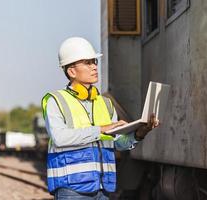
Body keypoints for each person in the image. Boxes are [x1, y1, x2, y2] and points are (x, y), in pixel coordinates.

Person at [41, 37, 159, 200]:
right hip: (72, 190)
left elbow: (119, 143)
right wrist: (101, 129)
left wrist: (140, 133)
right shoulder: (56, 101)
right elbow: (60, 138)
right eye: (87, 62)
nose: (94, 66)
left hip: (103, 189)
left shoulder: (105, 103)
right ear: (72, 71)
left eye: (94, 61)